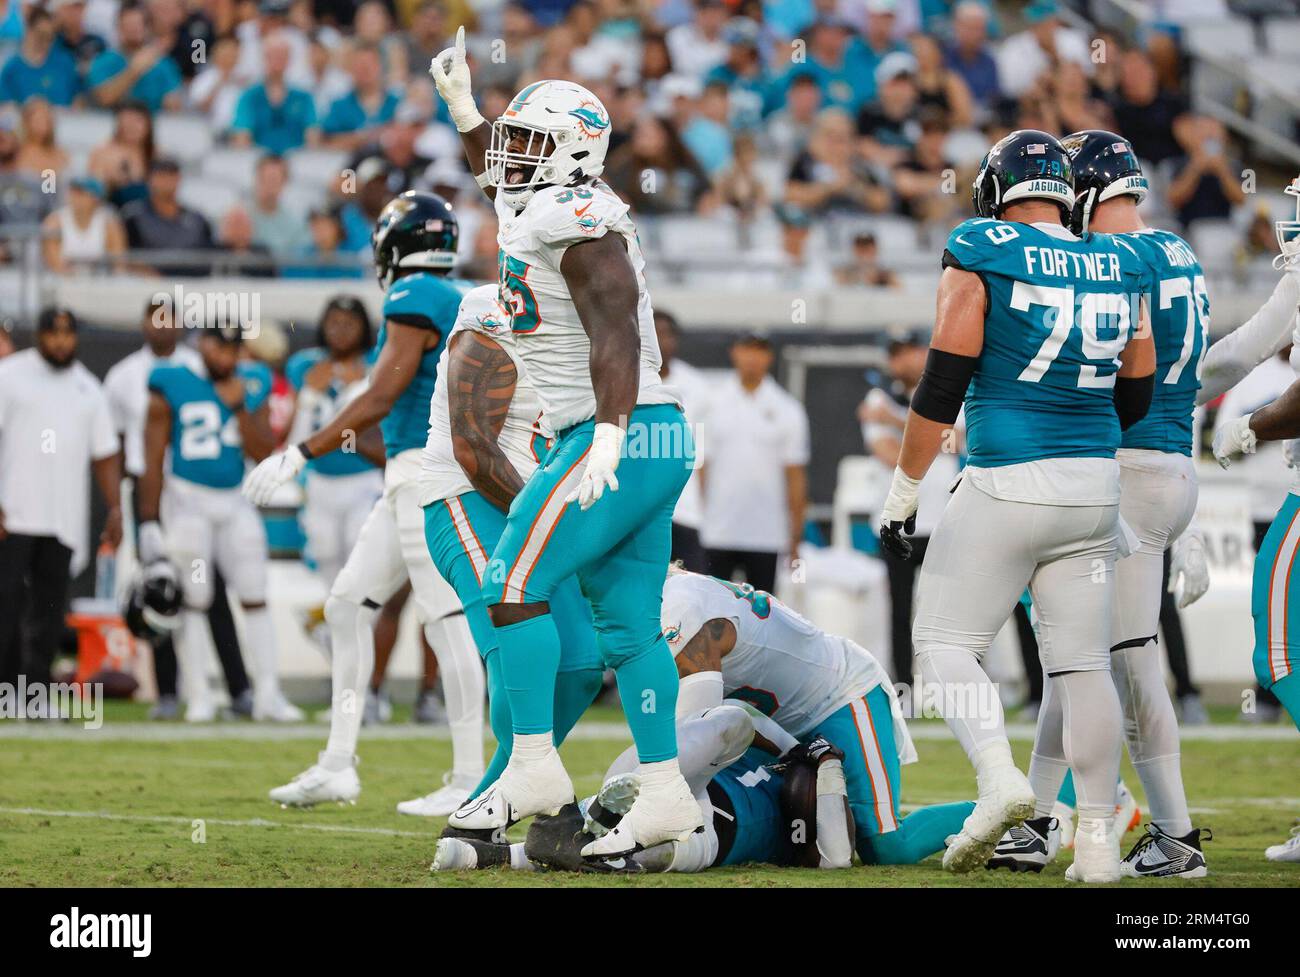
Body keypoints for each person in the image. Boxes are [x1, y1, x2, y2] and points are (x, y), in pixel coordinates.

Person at [428, 32, 703, 862]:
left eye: (527, 141)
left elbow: (614, 328)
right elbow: (500, 176)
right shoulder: (543, 200)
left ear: (572, 154)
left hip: (616, 428)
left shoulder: (582, 216)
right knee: (630, 630)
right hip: (651, 433)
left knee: (512, 580)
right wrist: (468, 113)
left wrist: (610, 431)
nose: (508, 155)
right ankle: (662, 793)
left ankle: (536, 767)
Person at [878, 130, 1155, 882]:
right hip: (1095, 487)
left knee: (941, 641)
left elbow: (941, 381)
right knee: (1081, 667)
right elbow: (1138, 389)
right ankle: (1097, 845)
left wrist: (903, 493)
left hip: (1006, 478)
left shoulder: (984, 245)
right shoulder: (1123, 257)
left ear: (1000, 189)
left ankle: (1002, 782)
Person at [251, 191, 487, 815]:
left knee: (445, 621)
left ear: (395, 244)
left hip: (422, 473)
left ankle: (470, 779)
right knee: (348, 604)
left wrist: (301, 451)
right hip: (425, 473)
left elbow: (382, 394)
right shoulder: (464, 295)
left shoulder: (415, 296)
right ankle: (337, 764)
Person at [1041, 129, 1211, 878]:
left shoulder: (1106, 258)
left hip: (1128, 470)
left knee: (1125, 657)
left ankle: (1174, 834)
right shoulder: (1177, 248)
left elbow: (1099, 374)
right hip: (1171, 464)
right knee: (1075, 655)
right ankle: (1040, 819)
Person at [416, 284, 604, 819]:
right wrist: (543, 522)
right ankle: (492, 806)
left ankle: (496, 798)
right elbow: (471, 444)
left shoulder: (589, 314)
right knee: (518, 654)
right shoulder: (494, 307)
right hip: (470, 498)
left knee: (581, 665)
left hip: (536, 507)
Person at [658, 567, 974, 865]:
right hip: (778, 718)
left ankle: (995, 813)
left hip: (841, 695)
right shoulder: (674, 594)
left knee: (886, 845)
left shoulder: (680, 604)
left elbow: (696, 725)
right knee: (761, 808)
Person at [436, 705, 855, 874]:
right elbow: (742, 717)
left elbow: (837, 858)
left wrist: (829, 765)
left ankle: (484, 854)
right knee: (729, 721)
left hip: (714, 834)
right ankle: (608, 818)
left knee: (637, 848)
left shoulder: (813, 822)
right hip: (675, 784)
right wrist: (797, 748)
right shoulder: (771, 756)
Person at [137, 321, 300, 723]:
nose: (223, 357)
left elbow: (266, 450)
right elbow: (153, 454)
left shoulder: (253, 381)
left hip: (236, 501)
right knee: (194, 600)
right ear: (201, 346)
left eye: (231, 350)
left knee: (255, 594)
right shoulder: (170, 380)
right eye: (216, 348)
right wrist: (148, 520)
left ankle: (268, 695)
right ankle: (200, 698)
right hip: (188, 502)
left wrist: (239, 406)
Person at [103, 296, 253, 720]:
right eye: (156, 317)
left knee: (212, 591)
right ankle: (169, 692)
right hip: (146, 488)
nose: (163, 326)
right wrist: (125, 507)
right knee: (160, 589)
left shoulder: (195, 366)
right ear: (143, 322)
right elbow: (113, 446)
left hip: (189, 491)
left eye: (171, 318)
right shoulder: (122, 376)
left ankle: (237, 687)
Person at [0, 307, 122, 699]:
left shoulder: (88, 387)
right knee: (6, 604)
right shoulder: (10, 375)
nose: (61, 341)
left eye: (68, 333)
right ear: (39, 335)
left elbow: (105, 453)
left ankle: (33, 694)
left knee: (50, 610)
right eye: (53, 333)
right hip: (13, 512)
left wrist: (116, 507)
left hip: (62, 517)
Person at [861, 333, 958, 681]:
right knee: (900, 611)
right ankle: (905, 686)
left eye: (910, 351)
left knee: (950, 613)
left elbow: (960, 440)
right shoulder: (879, 398)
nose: (904, 361)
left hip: (944, 520)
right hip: (897, 522)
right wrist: (932, 434)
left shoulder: (949, 389)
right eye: (896, 354)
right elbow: (888, 455)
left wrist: (897, 420)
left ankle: (951, 686)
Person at [698, 333, 809, 594]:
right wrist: (701, 517)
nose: (752, 358)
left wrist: (795, 536)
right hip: (718, 530)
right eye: (747, 349)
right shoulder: (711, 404)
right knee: (714, 612)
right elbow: (701, 466)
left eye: (759, 350)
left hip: (766, 533)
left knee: (762, 618)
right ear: (734, 352)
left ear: (769, 357)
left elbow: (795, 474)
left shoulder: (787, 409)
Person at [121, 157, 216, 277]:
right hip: (146, 287)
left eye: (171, 175)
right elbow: (124, 256)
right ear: (150, 180)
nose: (167, 181)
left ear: (179, 179)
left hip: (190, 289)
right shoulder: (133, 217)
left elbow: (208, 258)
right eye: (161, 175)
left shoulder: (198, 220)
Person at [87, 2, 182, 111]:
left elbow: (174, 104)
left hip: (152, 124)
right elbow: (104, 98)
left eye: (137, 24)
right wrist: (134, 70)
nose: (133, 30)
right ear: (118, 27)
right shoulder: (103, 61)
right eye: (128, 25)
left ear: (147, 27)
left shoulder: (164, 63)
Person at [41, 175, 126, 273]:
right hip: (62, 282)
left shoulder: (109, 225)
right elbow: (54, 263)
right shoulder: (54, 222)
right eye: (72, 191)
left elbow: (119, 264)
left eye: (80, 193)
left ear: (95, 198)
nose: (74, 196)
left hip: (100, 283)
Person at [0, 4, 81, 106]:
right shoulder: (11, 69)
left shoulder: (65, 63)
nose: (45, 42)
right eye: (40, 34)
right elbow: (7, 109)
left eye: (50, 37)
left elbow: (79, 100)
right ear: (28, 30)